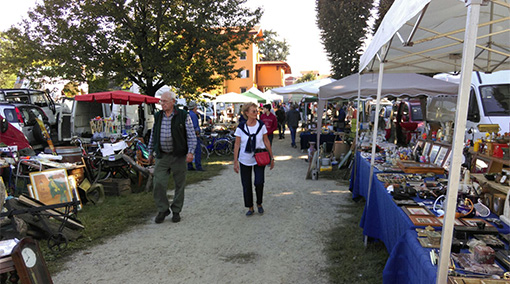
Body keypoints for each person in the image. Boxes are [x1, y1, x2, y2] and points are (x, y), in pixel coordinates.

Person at [148, 91, 197, 224]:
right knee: (158, 183)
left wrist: (191, 152)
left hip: (178, 156)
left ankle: (176, 210)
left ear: (173, 102)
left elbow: (191, 135)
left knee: (179, 184)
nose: (162, 104)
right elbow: (153, 134)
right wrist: (150, 152)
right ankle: (163, 209)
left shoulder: (182, 115)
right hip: (162, 155)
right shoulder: (158, 116)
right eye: (161, 101)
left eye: (164, 101)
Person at [233, 103, 274, 216]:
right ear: (247, 113)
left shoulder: (261, 125)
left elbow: (266, 141)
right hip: (244, 159)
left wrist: (272, 157)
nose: (256, 113)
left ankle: (259, 203)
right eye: (253, 111)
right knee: (246, 184)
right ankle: (250, 207)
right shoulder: (241, 127)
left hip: (259, 158)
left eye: (257, 111)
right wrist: (235, 161)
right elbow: (237, 145)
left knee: (259, 182)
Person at [187, 101, 204, 171]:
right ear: (194, 107)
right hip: (194, 136)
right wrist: (197, 134)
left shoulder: (188, 114)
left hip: (189, 136)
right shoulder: (193, 115)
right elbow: (194, 126)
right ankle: (198, 166)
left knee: (190, 151)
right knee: (197, 151)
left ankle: (189, 165)